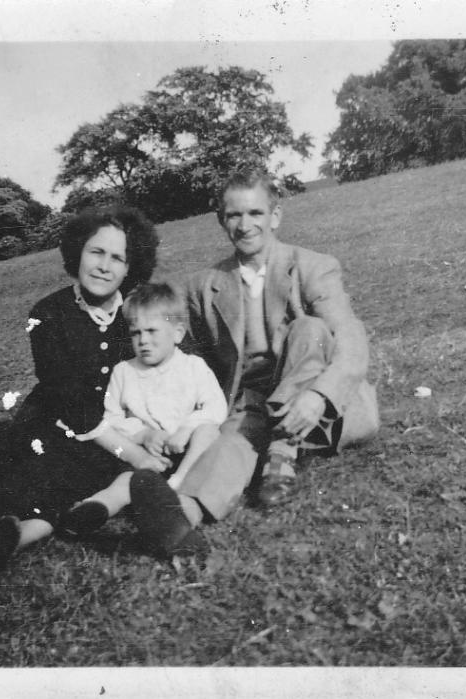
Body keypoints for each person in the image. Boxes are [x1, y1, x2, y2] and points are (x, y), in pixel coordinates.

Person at [0, 206, 187, 586]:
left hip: (113, 433)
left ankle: (10, 542)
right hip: (55, 420)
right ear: (77, 253)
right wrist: (137, 454)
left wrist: (146, 432)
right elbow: (73, 406)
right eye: (96, 252)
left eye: (117, 258)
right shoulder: (47, 314)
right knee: (37, 471)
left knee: (75, 482)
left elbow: (163, 367)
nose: (105, 266)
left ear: (130, 266)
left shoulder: (137, 314)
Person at [127, 168, 380, 556]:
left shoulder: (314, 266)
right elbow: (176, 348)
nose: (245, 225)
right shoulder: (204, 286)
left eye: (255, 214)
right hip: (250, 402)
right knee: (231, 442)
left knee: (309, 328)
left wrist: (318, 397)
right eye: (234, 216)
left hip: (320, 402)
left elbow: (350, 341)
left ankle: (282, 449)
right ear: (222, 221)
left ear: (275, 217)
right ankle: (180, 518)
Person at [60, 282, 227, 538]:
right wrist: (143, 436)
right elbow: (112, 419)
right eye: (136, 333)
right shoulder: (124, 372)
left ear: (178, 333)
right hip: (148, 456)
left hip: (188, 450)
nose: (143, 341)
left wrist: (186, 429)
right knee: (126, 481)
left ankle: (178, 484)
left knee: (209, 432)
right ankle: (98, 507)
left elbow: (215, 406)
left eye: (152, 331)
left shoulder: (193, 367)